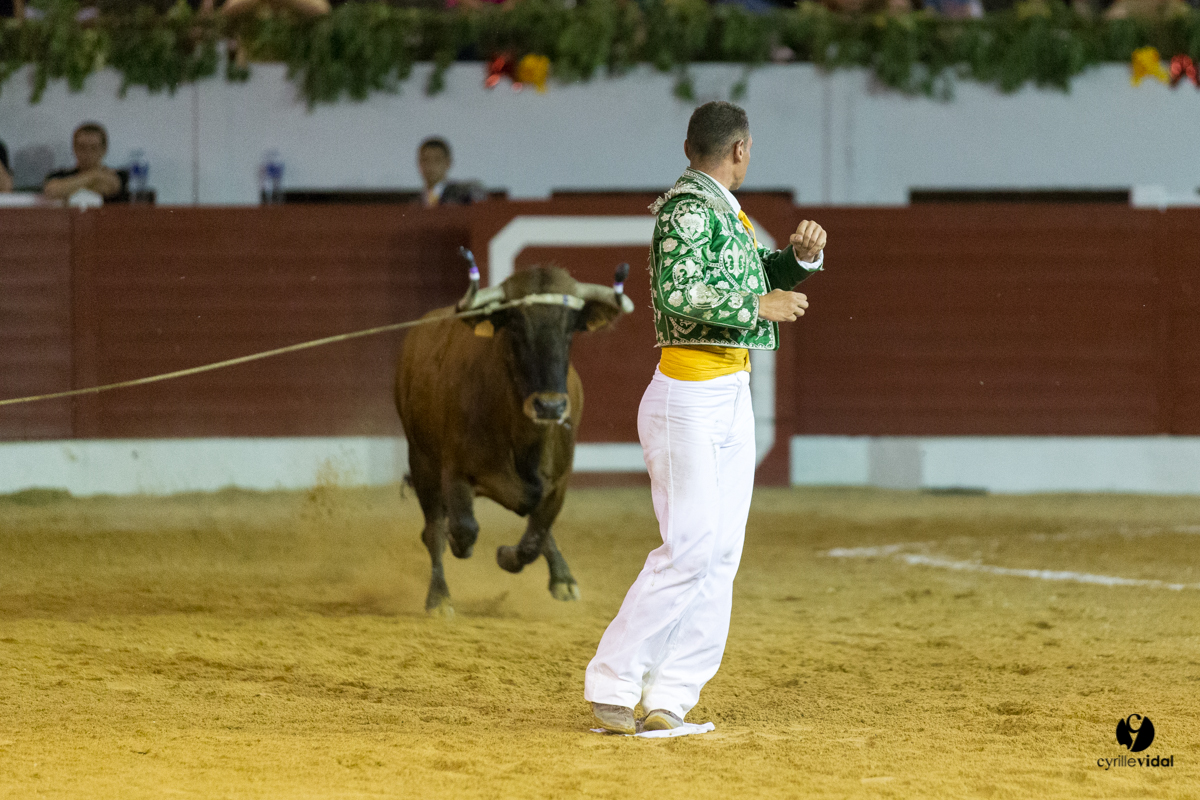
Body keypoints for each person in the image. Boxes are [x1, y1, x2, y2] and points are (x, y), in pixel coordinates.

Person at [584, 101, 827, 735]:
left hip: (725, 394)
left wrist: (795, 263)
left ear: (691, 144)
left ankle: (671, 698)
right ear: (740, 150)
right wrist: (759, 302)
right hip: (689, 396)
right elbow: (678, 293)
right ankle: (612, 681)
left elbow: (737, 280)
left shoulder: (717, 208)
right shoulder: (691, 209)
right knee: (690, 547)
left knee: (718, 552)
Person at [43, 123, 126, 202]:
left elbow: (112, 186)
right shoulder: (59, 175)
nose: (88, 153)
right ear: (74, 148)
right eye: (82, 147)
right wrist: (94, 176)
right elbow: (52, 191)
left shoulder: (120, 175)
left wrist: (69, 187)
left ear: (104, 149)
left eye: (94, 148)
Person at [416, 137, 480, 207]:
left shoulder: (464, 194)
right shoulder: (412, 202)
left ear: (448, 163)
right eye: (425, 160)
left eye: (437, 160)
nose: (430, 165)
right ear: (419, 163)